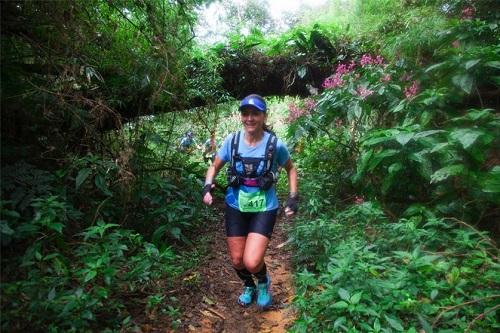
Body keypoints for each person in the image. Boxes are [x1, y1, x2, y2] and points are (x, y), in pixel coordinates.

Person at [202, 94, 298, 310]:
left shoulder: (275, 145)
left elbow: (291, 169)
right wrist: (208, 186)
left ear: (264, 116)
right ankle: (249, 285)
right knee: (237, 260)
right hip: (235, 205)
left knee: (252, 262)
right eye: (245, 113)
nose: (250, 118)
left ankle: (263, 281)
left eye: (255, 113)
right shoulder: (232, 141)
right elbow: (214, 166)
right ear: (241, 116)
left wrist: (293, 197)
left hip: (264, 207)